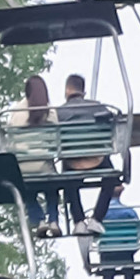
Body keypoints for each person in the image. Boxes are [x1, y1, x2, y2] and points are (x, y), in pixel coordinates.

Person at [56, 74, 121, 232]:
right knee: (112, 177)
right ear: (83, 91)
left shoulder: (58, 113)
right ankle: (97, 218)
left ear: (67, 90)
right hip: (96, 159)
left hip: (73, 161)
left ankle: (78, 221)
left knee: (68, 178)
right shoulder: (98, 107)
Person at [8, 76, 61, 235]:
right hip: (44, 167)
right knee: (52, 188)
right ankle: (53, 220)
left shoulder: (16, 111)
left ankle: (39, 220)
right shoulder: (50, 111)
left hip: (23, 168)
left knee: (26, 190)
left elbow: (11, 142)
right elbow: (55, 143)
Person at [97, 199, 139, 279]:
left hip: (107, 252)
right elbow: (136, 231)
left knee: (107, 266)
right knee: (129, 265)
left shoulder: (99, 212)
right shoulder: (129, 212)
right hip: (125, 252)